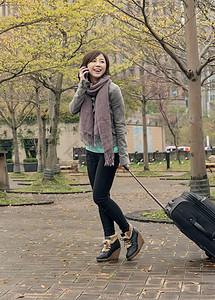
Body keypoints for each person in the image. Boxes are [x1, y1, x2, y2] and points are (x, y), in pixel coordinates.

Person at [69, 50, 144, 262]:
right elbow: (73, 109)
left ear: (106, 66)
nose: (98, 64)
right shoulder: (84, 89)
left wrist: (126, 157)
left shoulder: (113, 90)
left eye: (102, 61)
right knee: (102, 199)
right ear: (85, 66)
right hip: (92, 150)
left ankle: (129, 232)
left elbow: (120, 124)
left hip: (111, 152)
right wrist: (81, 85)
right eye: (93, 61)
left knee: (99, 196)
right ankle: (111, 242)